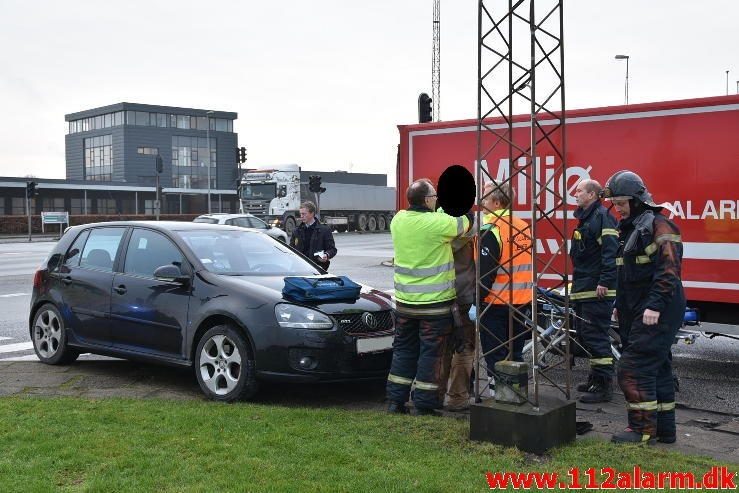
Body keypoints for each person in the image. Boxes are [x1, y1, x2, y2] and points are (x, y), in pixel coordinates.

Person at [601, 170, 685, 445]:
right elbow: (627, 275)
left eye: (622, 203)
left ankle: (641, 429)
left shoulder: (661, 226)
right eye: (616, 204)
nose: (618, 209)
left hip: (657, 308)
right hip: (636, 307)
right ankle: (665, 430)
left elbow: (669, 272)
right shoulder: (630, 229)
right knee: (657, 367)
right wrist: (619, 305)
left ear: (637, 200)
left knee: (633, 368)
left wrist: (654, 306)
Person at [386, 178, 471, 415]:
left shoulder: (398, 220)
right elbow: (466, 222)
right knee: (431, 354)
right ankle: (424, 404)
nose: (436, 199)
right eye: (434, 196)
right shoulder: (437, 223)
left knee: (403, 351)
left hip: (404, 304)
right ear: (426, 200)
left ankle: (395, 401)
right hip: (434, 306)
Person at [478, 180, 533, 385]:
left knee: (495, 358)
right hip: (521, 302)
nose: (480, 201)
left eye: (484, 196)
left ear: (497, 202)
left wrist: (478, 302)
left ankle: (500, 399)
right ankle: (520, 395)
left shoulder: (492, 229)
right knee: (515, 356)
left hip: (495, 303)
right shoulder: (522, 225)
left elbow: (486, 273)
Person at [570, 179, 619, 403]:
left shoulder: (602, 217)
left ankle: (603, 386)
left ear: (592, 195)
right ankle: (594, 379)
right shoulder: (587, 219)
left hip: (596, 289)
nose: (575, 194)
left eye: (579, 191)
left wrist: (605, 282)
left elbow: (610, 254)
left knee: (596, 337)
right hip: (584, 287)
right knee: (586, 336)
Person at [438, 229, 476, 412]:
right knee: (465, 347)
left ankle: (435, 394)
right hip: (465, 296)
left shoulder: (435, 226)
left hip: (438, 295)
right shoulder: (472, 229)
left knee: (441, 348)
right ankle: (458, 398)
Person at [291, 201, 337, 271]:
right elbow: (291, 249)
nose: (301, 216)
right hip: (299, 269)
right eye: (300, 214)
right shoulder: (296, 231)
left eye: (304, 214)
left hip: (317, 269)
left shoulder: (324, 230)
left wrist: (326, 255)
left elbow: (332, 249)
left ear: (312, 213)